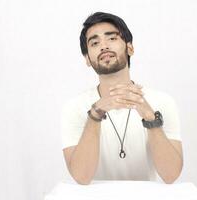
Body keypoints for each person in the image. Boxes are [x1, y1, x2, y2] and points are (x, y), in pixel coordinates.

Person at [61, 12, 183, 185]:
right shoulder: (74, 107)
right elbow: (81, 177)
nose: (103, 46)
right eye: (95, 43)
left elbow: (171, 175)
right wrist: (96, 113)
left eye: (111, 38)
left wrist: (150, 118)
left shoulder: (162, 102)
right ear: (87, 59)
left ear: (130, 48)